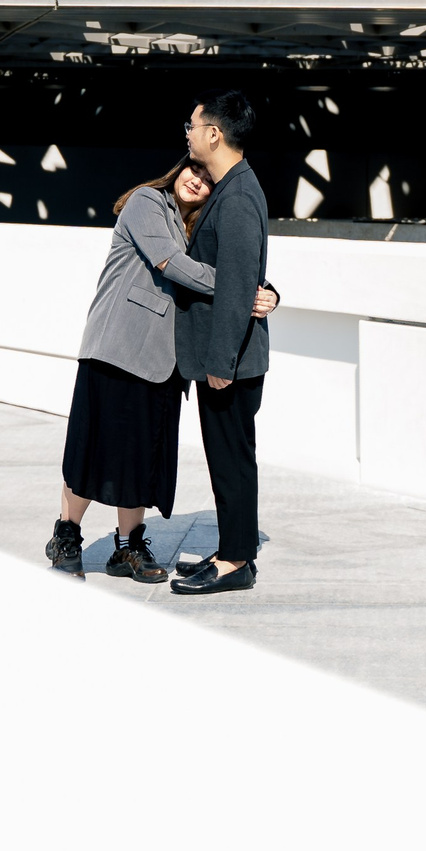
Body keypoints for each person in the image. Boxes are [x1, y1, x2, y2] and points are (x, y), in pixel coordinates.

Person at [48, 157, 276, 582]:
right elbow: (170, 262)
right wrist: (241, 290)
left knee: (137, 458)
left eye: (208, 180)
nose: (198, 180)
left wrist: (266, 292)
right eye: (194, 170)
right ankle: (66, 535)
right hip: (117, 347)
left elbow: (236, 259)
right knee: (94, 448)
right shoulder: (146, 202)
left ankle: (128, 547)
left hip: (163, 363)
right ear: (177, 169)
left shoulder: (199, 224)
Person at [168, 91, 273, 597]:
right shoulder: (234, 188)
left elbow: (235, 283)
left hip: (229, 361)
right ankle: (235, 548)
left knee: (231, 461)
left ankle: (236, 562)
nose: (186, 133)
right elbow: (249, 279)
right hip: (227, 356)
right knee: (229, 459)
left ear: (214, 133)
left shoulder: (236, 195)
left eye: (191, 125)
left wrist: (221, 361)